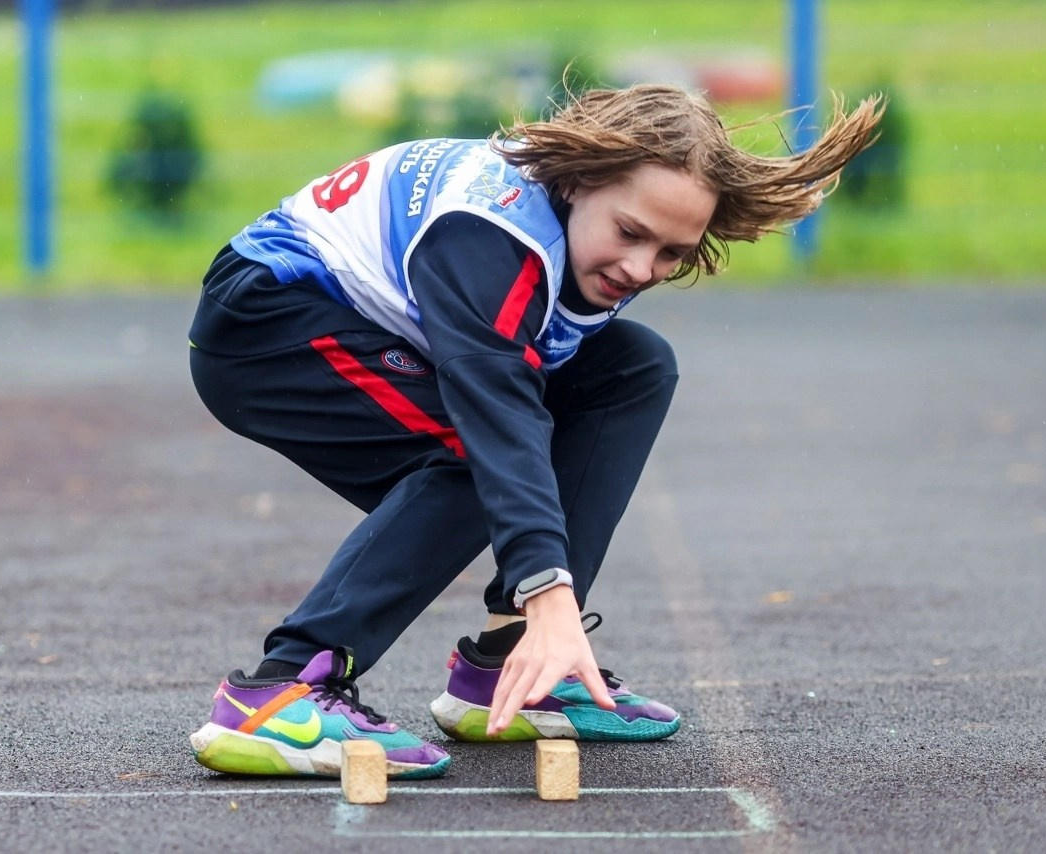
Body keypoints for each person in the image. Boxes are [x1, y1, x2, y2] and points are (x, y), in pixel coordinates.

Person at [186, 83, 884, 779]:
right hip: (267, 324)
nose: (641, 270)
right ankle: (282, 691)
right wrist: (549, 591)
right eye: (630, 233)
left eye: (672, 254)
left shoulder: (570, 231)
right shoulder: (491, 238)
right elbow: (496, 415)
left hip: (367, 325)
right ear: (579, 183)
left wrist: (538, 604)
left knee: (633, 368)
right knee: (477, 456)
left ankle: (512, 665)